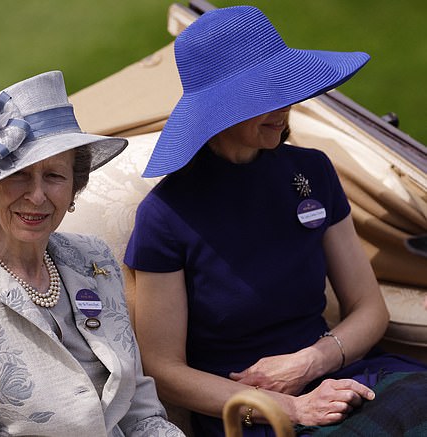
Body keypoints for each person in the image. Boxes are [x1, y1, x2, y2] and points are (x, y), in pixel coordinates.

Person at [123, 6, 427, 437]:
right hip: (252, 413)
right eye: (261, 96)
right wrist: (291, 406)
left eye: (284, 87)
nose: (284, 105)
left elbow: (369, 308)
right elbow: (164, 369)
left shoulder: (313, 171)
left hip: (347, 375)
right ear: (217, 112)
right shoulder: (165, 216)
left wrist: (312, 361)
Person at [0, 70, 185, 437]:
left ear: (74, 189)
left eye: (54, 176)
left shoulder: (93, 259)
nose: (37, 196)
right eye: (18, 175)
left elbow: (141, 413)